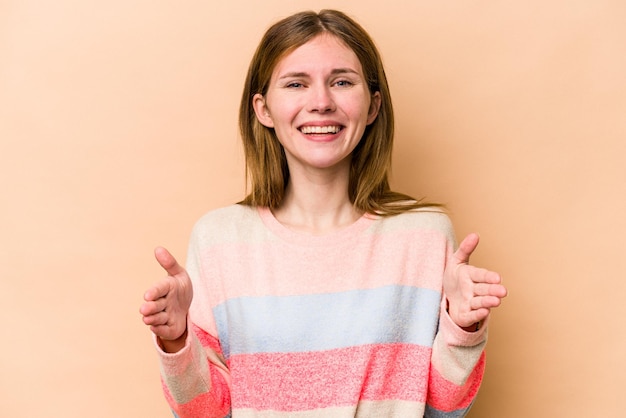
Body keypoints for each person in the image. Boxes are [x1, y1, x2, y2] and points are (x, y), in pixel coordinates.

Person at [139, 9, 507, 418]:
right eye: (296, 84)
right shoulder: (219, 240)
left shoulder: (424, 237)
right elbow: (207, 414)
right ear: (263, 109)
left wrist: (462, 327)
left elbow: (443, 411)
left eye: (342, 82)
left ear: (372, 106)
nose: (321, 103)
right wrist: (177, 341)